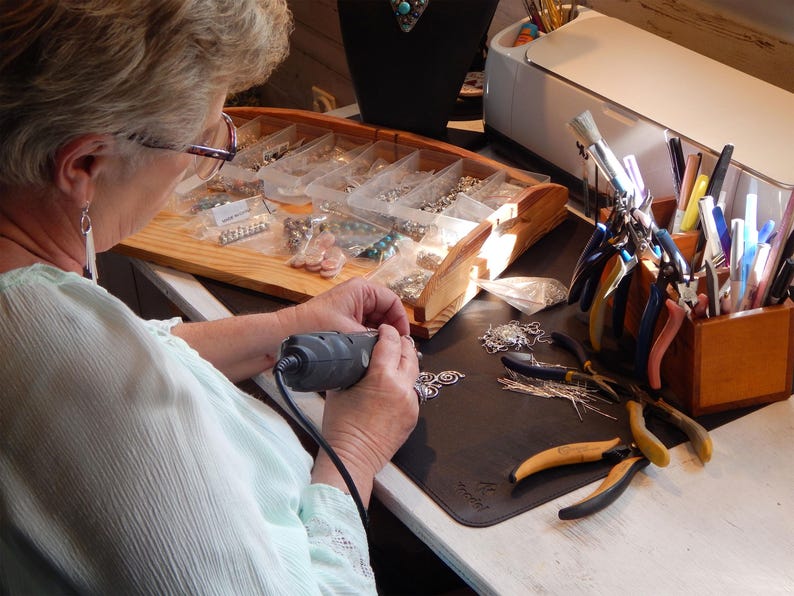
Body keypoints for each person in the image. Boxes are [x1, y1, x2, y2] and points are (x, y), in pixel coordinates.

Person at [0, 1, 421, 593]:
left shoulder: (32, 298)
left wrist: (288, 327)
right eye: (201, 144)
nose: (200, 163)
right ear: (87, 162)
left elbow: (129, 349)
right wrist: (357, 446)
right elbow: (95, 371)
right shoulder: (85, 378)